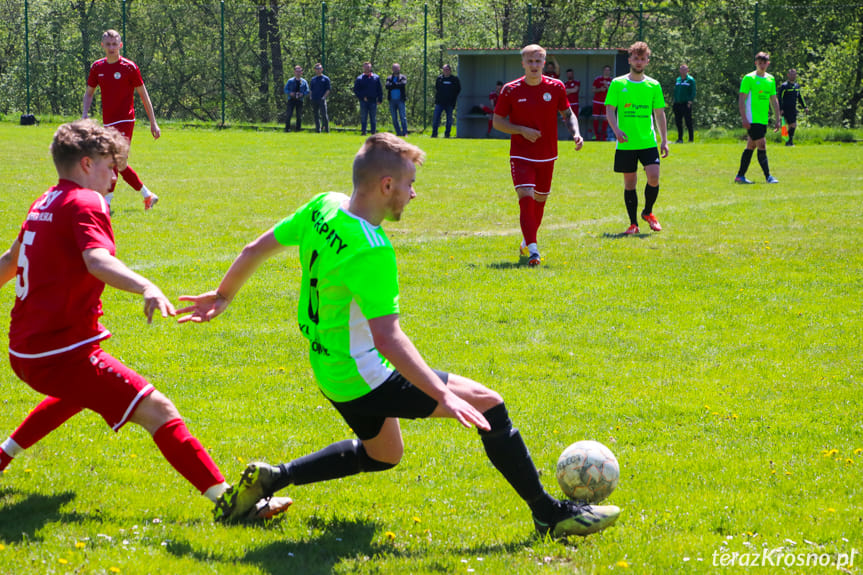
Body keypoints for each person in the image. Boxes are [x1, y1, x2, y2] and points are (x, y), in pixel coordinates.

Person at [175, 133, 620, 536]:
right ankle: (549, 514)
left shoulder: (323, 206)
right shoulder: (371, 248)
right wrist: (441, 396)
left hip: (329, 365)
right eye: (409, 183)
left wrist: (223, 294)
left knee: (384, 454)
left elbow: (258, 247)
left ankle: (273, 477)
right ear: (386, 185)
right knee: (489, 403)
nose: (413, 192)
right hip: (362, 372)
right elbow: (388, 338)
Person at [0, 119, 291, 522]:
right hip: (59, 351)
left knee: (79, 394)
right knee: (158, 410)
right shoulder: (87, 202)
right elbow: (96, 260)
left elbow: (12, 261)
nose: (114, 177)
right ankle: (231, 504)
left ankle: (1, 457)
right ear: (86, 164)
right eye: (108, 166)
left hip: (28, 348)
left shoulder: (45, 201)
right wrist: (146, 286)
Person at [493, 44, 584, 266]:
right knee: (525, 197)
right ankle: (534, 251)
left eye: (538, 61)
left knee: (539, 201)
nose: (534, 65)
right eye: (530, 61)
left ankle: (526, 242)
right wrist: (522, 130)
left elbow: (568, 113)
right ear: (523, 63)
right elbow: (498, 122)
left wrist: (576, 133)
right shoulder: (510, 89)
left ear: (544, 63)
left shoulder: (556, 87)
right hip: (521, 155)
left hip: (547, 154)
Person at [82, 29, 159, 211]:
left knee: (113, 158)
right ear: (102, 46)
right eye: (108, 44)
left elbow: (144, 95)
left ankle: (106, 203)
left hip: (125, 120)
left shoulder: (129, 67)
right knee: (120, 163)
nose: (111, 48)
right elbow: (89, 93)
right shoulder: (97, 67)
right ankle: (148, 196)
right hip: (108, 122)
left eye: (114, 44)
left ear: (120, 45)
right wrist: (85, 114)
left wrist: (153, 122)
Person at [605, 41, 669, 236]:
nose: (639, 62)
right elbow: (610, 109)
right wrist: (616, 130)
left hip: (647, 141)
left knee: (654, 177)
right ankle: (633, 224)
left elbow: (659, 114)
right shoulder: (618, 83)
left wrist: (664, 140)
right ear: (629, 59)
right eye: (635, 58)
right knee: (630, 183)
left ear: (647, 61)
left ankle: (648, 212)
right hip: (626, 143)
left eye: (642, 59)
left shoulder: (653, 85)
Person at [735, 52, 780, 184]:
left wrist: (778, 118)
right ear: (756, 63)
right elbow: (741, 99)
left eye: (764, 63)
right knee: (761, 144)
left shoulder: (770, 79)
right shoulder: (749, 78)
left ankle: (740, 176)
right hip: (752, 118)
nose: (762, 65)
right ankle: (768, 176)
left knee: (751, 145)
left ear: (768, 64)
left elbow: (773, 99)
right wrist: (744, 118)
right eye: (759, 63)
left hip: (762, 119)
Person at [778, 68, 808, 146]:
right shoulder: (784, 86)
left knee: (792, 125)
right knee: (792, 125)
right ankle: (789, 141)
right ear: (788, 75)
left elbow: (800, 97)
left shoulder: (796, 86)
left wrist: (805, 107)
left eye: (794, 74)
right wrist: (780, 109)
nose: (793, 76)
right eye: (791, 74)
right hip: (785, 109)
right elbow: (780, 98)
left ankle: (789, 142)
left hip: (793, 108)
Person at [353, 62, 383, 136]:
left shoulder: (376, 77)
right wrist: (362, 97)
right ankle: (364, 131)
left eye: (368, 67)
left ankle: (373, 132)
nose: (367, 69)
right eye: (366, 67)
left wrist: (380, 99)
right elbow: (356, 90)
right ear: (363, 68)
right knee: (364, 117)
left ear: (371, 68)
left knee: (373, 117)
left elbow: (379, 89)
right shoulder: (359, 78)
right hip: (363, 101)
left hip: (373, 100)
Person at [431, 64, 461, 138]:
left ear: (450, 70)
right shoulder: (439, 79)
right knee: (436, 118)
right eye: (444, 70)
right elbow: (437, 88)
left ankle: (447, 134)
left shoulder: (454, 79)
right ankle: (434, 134)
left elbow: (458, 89)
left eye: (447, 69)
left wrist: (453, 98)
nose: (446, 71)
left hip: (450, 103)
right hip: (439, 102)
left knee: (449, 120)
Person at [672, 64, 696, 143]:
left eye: (684, 69)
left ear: (687, 70)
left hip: (686, 103)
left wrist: (690, 101)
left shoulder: (690, 80)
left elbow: (693, 91)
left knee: (688, 121)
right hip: (677, 103)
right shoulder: (678, 80)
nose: (683, 71)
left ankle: (691, 139)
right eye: (681, 69)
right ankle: (680, 138)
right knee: (678, 121)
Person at [284, 65, 309, 133]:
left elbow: (307, 90)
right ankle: (287, 129)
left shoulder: (304, 81)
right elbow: (285, 89)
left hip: (300, 100)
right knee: (289, 114)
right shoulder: (290, 81)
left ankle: (298, 129)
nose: (298, 73)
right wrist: (290, 93)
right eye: (297, 71)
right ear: (294, 72)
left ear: (301, 72)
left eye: (299, 71)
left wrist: (302, 94)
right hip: (291, 100)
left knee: (299, 115)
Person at [385, 63, 408, 136]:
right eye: (394, 68)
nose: (395, 70)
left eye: (396, 68)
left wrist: (393, 85)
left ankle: (405, 133)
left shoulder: (403, 77)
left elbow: (403, 84)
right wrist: (396, 84)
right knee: (394, 118)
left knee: (403, 117)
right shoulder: (389, 78)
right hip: (392, 100)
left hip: (400, 100)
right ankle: (398, 132)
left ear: (399, 68)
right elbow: (387, 86)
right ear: (392, 69)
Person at [591, 65, 613, 141]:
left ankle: (603, 136)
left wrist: (607, 87)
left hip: (606, 102)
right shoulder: (597, 79)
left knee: (605, 119)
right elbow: (593, 90)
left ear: (610, 71)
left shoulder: (612, 81)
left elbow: (613, 92)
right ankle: (596, 136)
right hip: (597, 102)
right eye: (605, 70)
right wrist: (600, 89)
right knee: (595, 117)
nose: (607, 71)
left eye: (608, 70)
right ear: (603, 71)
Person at [309, 63, 331, 134]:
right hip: (314, 99)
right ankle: (318, 130)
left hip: (322, 99)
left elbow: (328, 89)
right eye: (317, 69)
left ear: (322, 69)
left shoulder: (326, 79)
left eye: (319, 69)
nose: (318, 70)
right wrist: (310, 96)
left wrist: (324, 97)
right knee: (316, 115)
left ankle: (327, 130)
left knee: (324, 115)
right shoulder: (313, 79)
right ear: (315, 70)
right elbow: (311, 89)